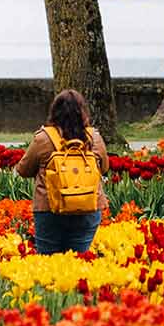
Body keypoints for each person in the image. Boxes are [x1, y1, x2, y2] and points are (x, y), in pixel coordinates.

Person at [14, 88, 110, 255]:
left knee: (48, 262)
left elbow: (23, 169)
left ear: (54, 112)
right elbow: (104, 168)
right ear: (83, 112)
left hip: (50, 209)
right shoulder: (94, 138)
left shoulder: (44, 138)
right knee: (80, 261)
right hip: (88, 206)